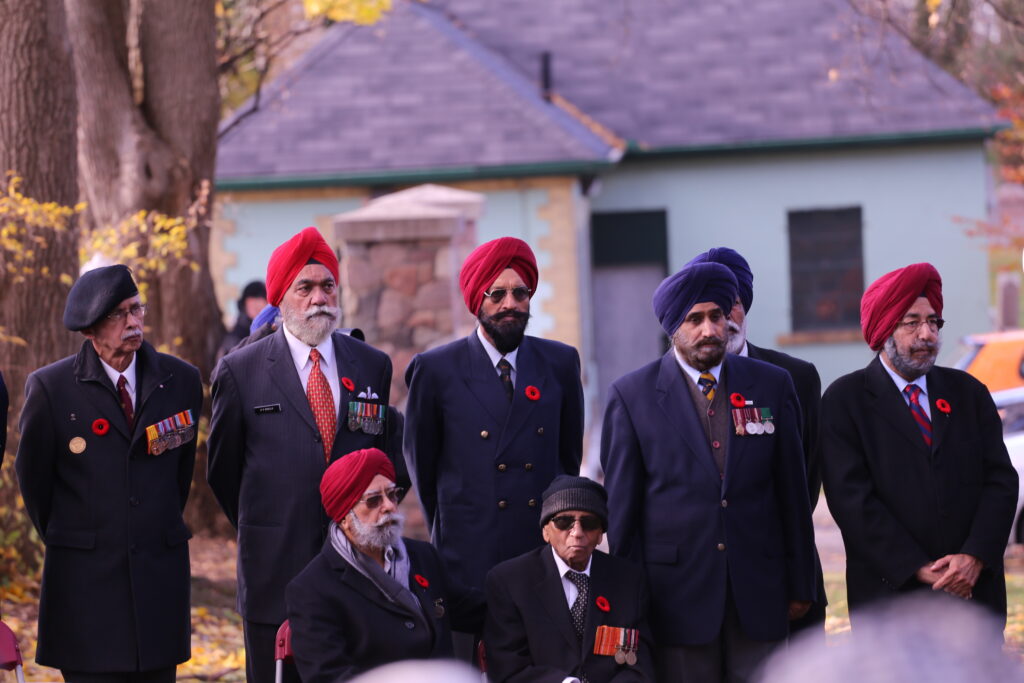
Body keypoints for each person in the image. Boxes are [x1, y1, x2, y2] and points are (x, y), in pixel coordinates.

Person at [600, 261, 816, 682]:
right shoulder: (631, 397)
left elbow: (794, 494)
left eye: (717, 316)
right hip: (675, 602)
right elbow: (623, 518)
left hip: (760, 593)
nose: (709, 330)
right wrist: (628, 603)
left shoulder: (772, 385)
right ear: (672, 327)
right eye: (694, 319)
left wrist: (800, 584)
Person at [208, 227, 403, 683]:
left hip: (360, 573)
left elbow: (387, 457)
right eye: (306, 287)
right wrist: (274, 521)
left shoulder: (371, 364)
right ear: (281, 297)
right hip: (274, 575)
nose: (320, 297)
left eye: (328, 285)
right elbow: (224, 474)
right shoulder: (240, 371)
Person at [15, 265, 202, 682]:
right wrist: (84, 536)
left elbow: (178, 478)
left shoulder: (181, 382)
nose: (134, 322)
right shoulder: (51, 390)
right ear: (90, 330)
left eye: (137, 309)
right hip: (86, 590)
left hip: (157, 583)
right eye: (119, 315)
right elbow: (35, 484)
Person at [820, 263, 1018, 632]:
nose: (926, 334)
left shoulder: (969, 394)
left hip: (972, 599)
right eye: (911, 323)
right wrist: (918, 568)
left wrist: (974, 557)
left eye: (933, 322)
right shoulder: (845, 401)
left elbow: (1001, 482)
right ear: (884, 329)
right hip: (891, 601)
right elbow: (852, 501)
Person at [404, 237, 585, 594]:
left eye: (521, 293)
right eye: (497, 294)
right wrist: (452, 528)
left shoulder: (561, 362)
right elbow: (422, 466)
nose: (511, 304)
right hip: (469, 555)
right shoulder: (436, 369)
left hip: (541, 550)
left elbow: (568, 460)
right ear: (477, 300)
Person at [688, 246, 826, 636]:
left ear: (743, 306)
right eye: (705, 310)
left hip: (782, 571)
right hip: (698, 584)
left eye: (728, 306)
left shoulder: (794, 377)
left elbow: (807, 478)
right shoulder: (660, 387)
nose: (719, 321)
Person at [286, 448, 484, 683]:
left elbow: (474, 611)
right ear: (344, 516)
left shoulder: (423, 557)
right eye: (374, 500)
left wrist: (531, 580)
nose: (389, 506)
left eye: (392, 494)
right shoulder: (312, 589)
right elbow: (328, 676)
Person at [485, 475, 655, 682]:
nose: (577, 532)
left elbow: (640, 665)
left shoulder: (628, 580)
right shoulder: (509, 581)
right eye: (564, 522)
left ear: (601, 534)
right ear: (546, 531)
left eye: (589, 522)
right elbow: (507, 668)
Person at [216, 280, 268, 362]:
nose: (258, 307)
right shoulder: (235, 337)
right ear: (244, 304)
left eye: (263, 304)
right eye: (253, 303)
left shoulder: (271, 332)